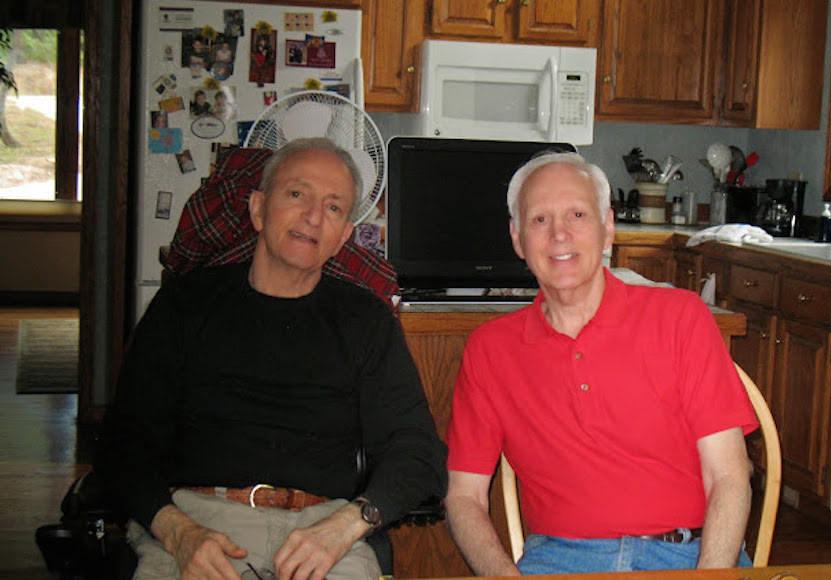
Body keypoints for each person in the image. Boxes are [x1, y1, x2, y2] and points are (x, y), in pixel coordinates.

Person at [96, 137, 447, 580]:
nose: (313, 216)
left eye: (334, 208)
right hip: (197, 528)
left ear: (342, 238)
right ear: (258, 209)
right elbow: (123, 444)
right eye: (297, 194)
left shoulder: (367, 321)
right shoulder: (185, 304)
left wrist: (349, 525)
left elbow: (418, 452)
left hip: (323, 536)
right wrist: (177, 530)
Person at [444, 151, 758, 576]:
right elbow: (464, 497)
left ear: (607, 227)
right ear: (517, 239)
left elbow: (730, 475)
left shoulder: (681, 317)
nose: (559, 235)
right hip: (560, 560)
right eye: (539, 220)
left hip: (689, 555)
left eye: (577, 214)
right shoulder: (489, 350)